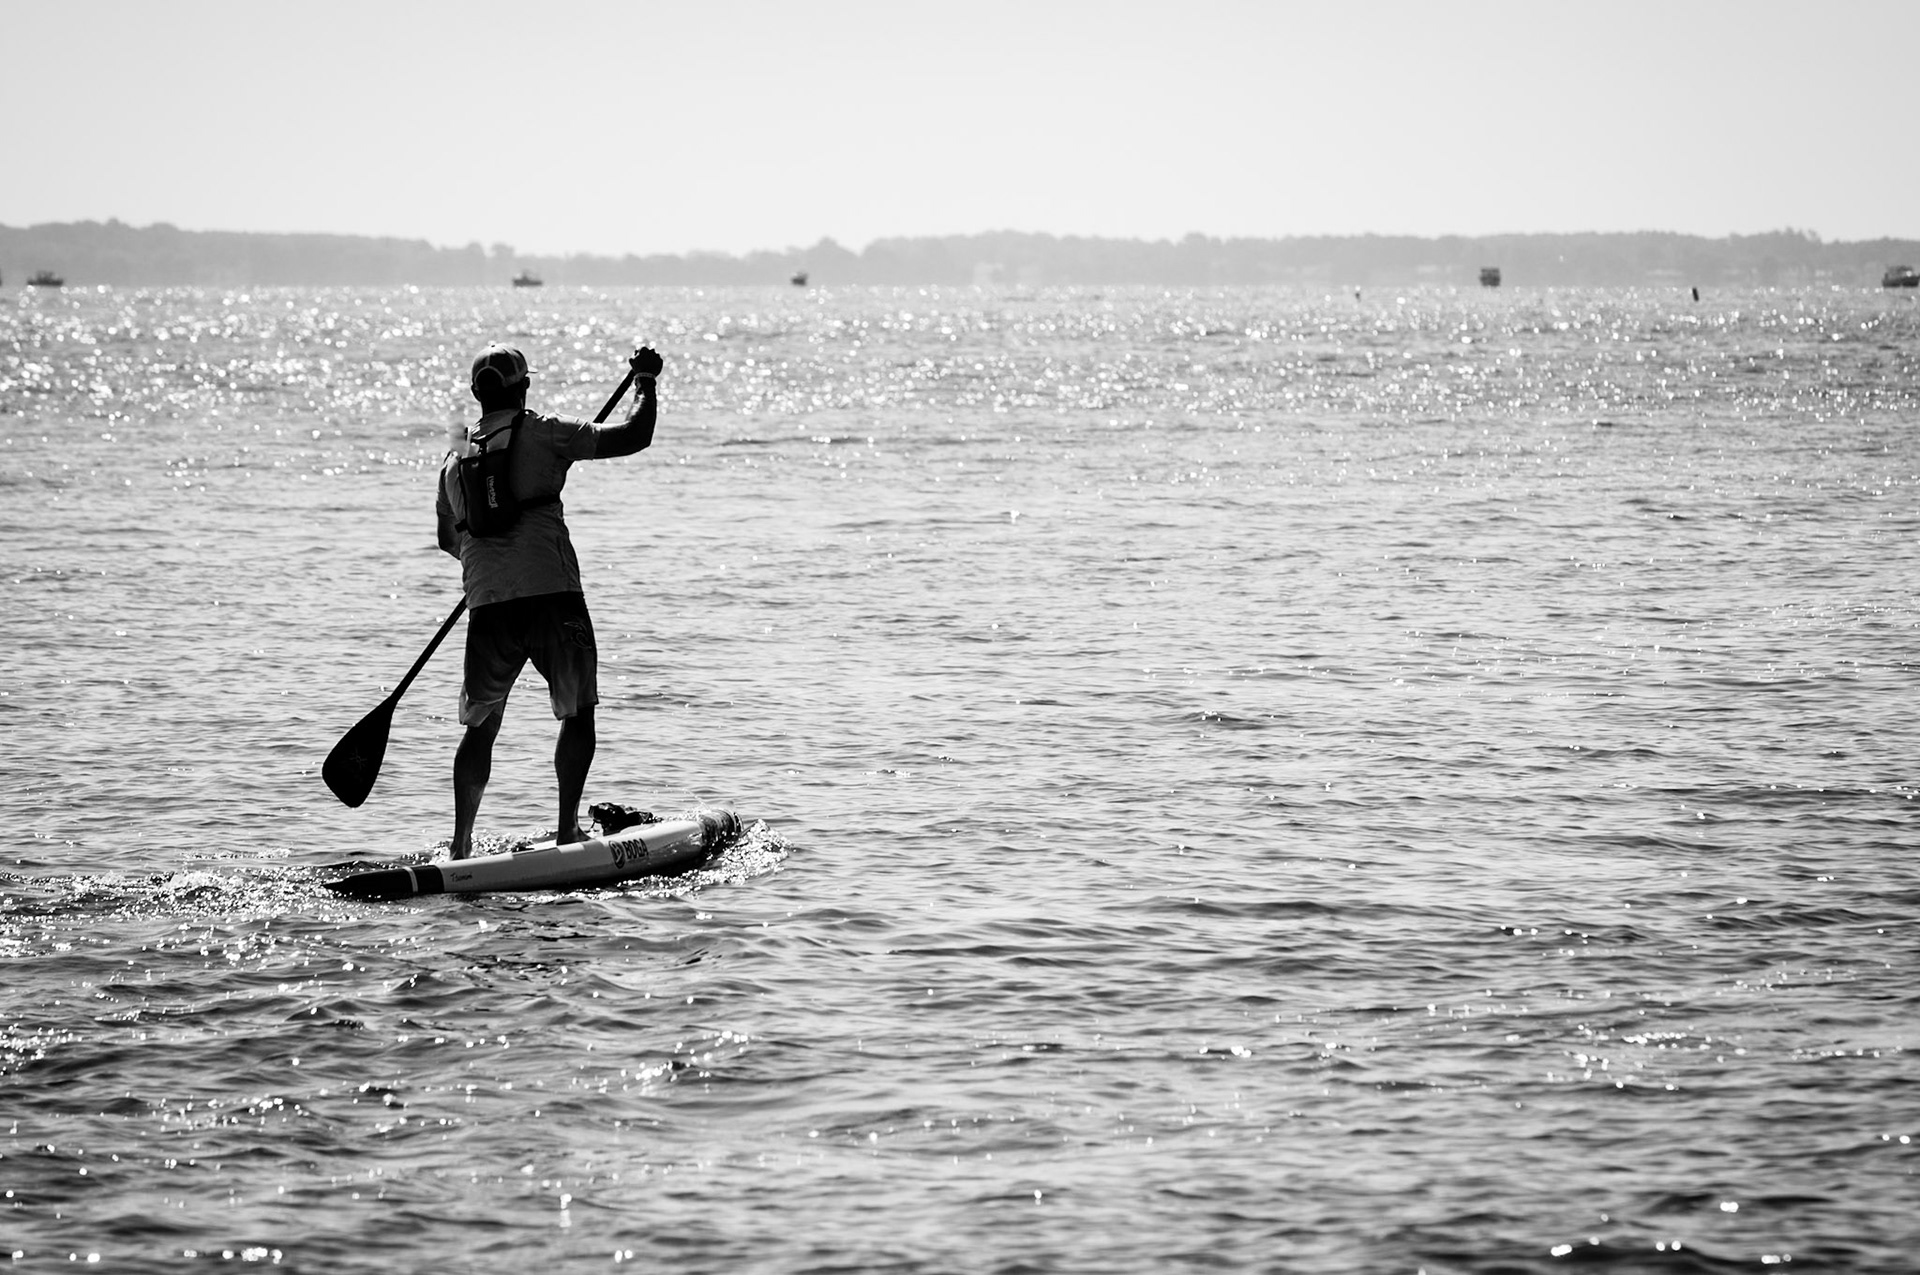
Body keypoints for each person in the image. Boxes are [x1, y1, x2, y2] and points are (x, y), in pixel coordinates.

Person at [434, 342, 663, 858]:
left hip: (487, 604)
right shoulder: (545, 431)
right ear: (525, 387)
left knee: (481, 726)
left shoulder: (456, 456)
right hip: (552, 597)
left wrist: (494, 568)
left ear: (477, 394)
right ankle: (566, 830)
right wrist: (645, 381)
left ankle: (461, 845)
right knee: (576, 713)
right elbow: (635, 435)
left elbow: (451, 541)